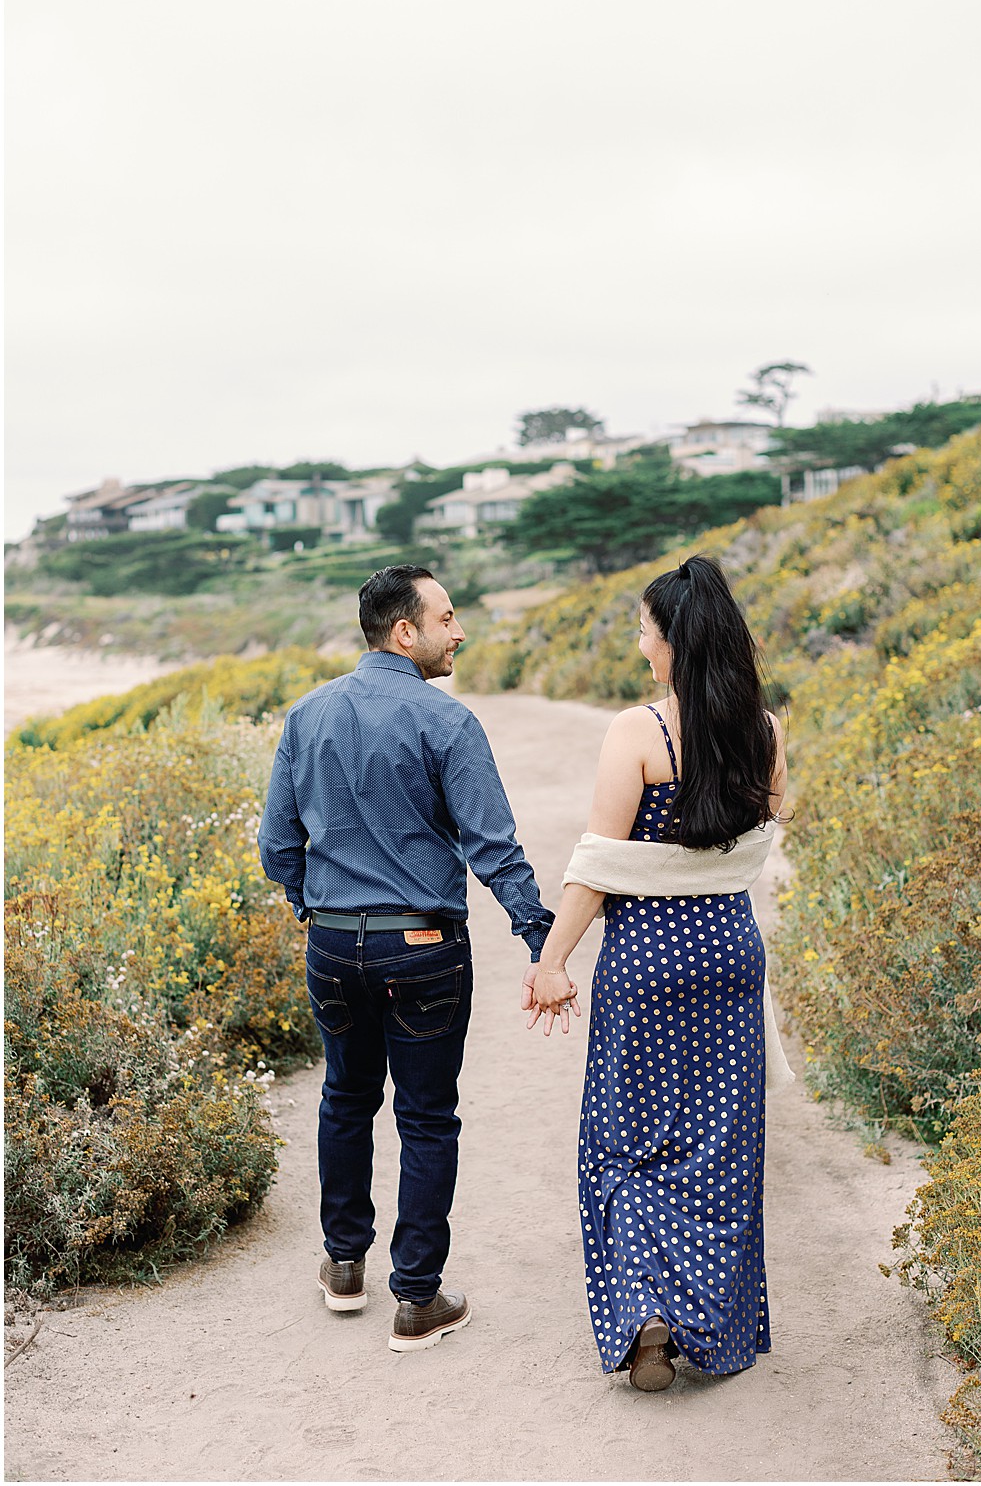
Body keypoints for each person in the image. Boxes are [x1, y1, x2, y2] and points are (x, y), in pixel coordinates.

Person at [259, 565, 555, 1352]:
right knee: (426, 1117)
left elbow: (277, 845)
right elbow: (495, 847)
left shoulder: (306, 714)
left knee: (345, 1098)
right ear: (405, 632)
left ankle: (344, 1264)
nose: (459, 631)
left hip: (331, 943)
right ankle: (417, 1299)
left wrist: (312, 906)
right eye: (448, 618)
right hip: (422, 947)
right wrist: (541, 938)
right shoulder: (446, 721)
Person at [524, 555, 785, 1392]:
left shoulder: (639, 732)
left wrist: (552, 959)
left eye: (644, 629)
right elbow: (759, 839)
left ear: (673, 643)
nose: (639, 643)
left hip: (648, 960)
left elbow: (600, 863)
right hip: (729, 957)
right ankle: (709, 1322)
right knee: (719, 1148)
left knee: (626, 1142)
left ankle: (644, 1310)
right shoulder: (766, 732)